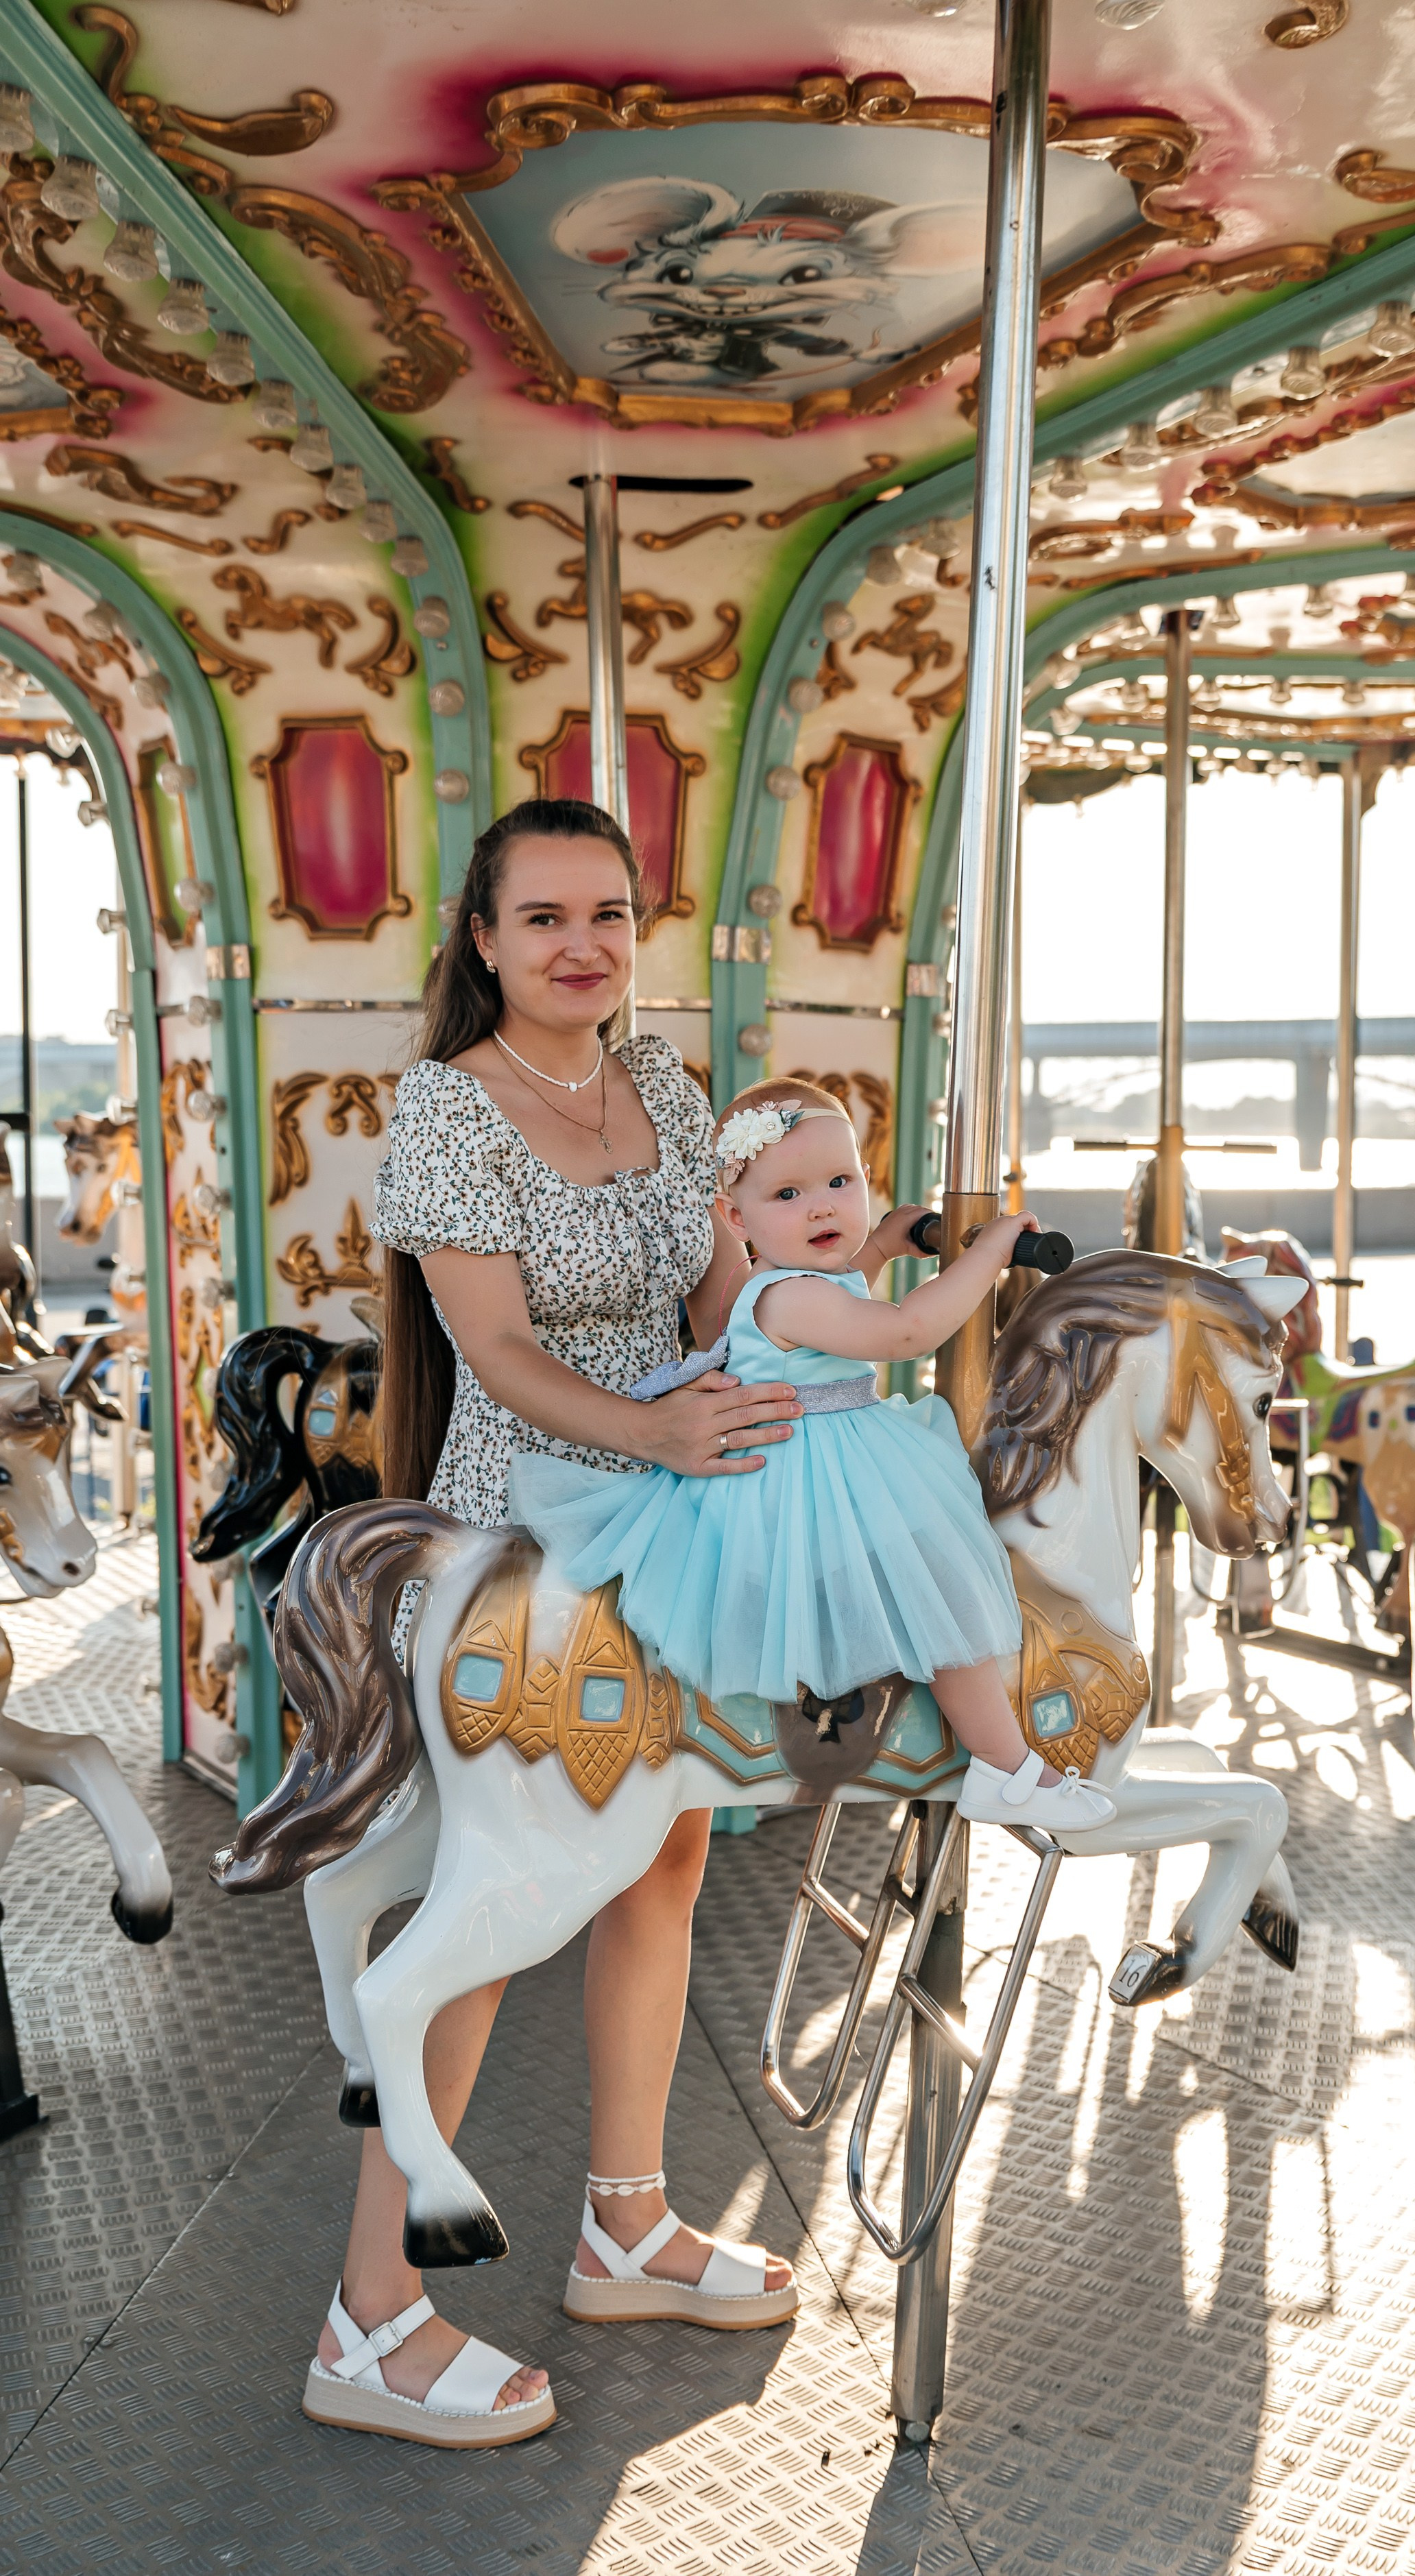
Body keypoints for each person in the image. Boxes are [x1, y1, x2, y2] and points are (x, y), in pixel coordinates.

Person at [309, 799, 803, 2448]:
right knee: (500, 1906)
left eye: (607, 912)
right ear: (485, 935)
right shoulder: (449, 1108)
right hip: (532, 1526)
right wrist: (657, 1424)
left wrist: (804, 1291)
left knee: (666, 1855)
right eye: (543, 918)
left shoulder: (661, 1085)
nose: (579, 943)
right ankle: (370, 2314)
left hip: (674, 1519)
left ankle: (627, 2220)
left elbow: (718, 1283)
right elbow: (498, 1347)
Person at [513, 1081, 1117, 1838]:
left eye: (840, 1182)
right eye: (789, 1193)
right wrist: (989, 1255)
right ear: (738, 1221)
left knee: (928, 1579)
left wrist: (887, 1245)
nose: (822, 1206)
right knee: (940, 1582)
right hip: (809, 1484)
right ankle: (1005, 1768)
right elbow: (903, 1332)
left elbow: (842, 1282)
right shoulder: (787, 1297)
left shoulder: (794, 1284)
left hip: (823, 1465)